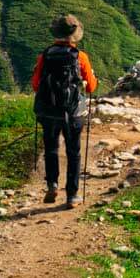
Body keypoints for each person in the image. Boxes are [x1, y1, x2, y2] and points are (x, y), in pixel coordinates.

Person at [31, 13, 97, 205]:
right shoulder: (81, 57)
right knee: (73, 151)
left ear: (56, 34)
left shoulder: (45, 55)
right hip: (73, 111)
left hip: (48, 111)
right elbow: (91, 87)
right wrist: (89, 79)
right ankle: (72, 194)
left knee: (51, 148)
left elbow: (36, 84)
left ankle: (52, 184)